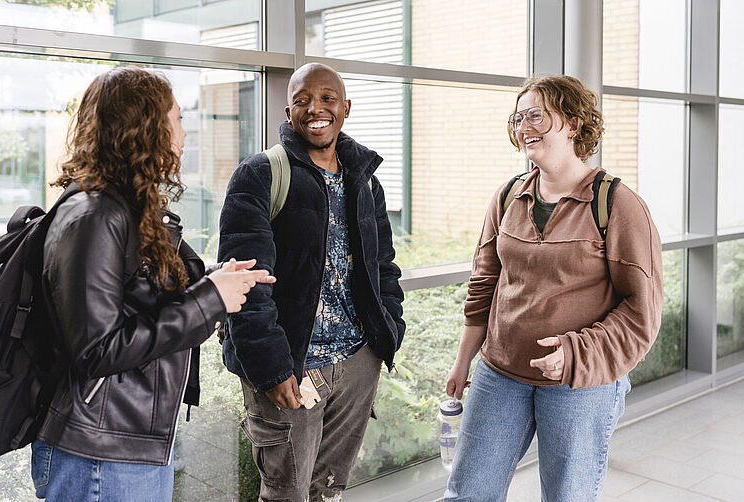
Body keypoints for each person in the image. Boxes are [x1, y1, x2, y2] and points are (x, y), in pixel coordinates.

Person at [29, 66, 274, 502]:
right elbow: (97, 350)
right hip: (100, 455)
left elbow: (140, 299)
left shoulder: (126, 208)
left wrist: (213, 283)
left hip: (124, 443)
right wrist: (210, 300)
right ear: (144, 128)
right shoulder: (96, 216)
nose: (184, 133)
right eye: (177, 119)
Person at [442, 74, 663, 501]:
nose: (524, 127)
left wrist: (576, 353)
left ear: (574, 124)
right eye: (518, 118)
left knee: (567, 496)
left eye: (537, 116)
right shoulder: (508, 196)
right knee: (467, 494)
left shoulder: (617, 204)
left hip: (581, 384)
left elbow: (642, 312)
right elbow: (485, 284)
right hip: (500, 373)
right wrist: (463, 360)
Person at [217, 62, 405, 502]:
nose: (315, 109)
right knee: (286, 493)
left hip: (358, 361)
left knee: (330, 490)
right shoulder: (261, 174)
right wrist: (273, 369)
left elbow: (383, 265)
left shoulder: (364, 179)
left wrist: (386, 333)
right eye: (302, 100)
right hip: (292, 367)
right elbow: (246, 285)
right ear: (288, 112)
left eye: (327, 99)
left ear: (346, 108)